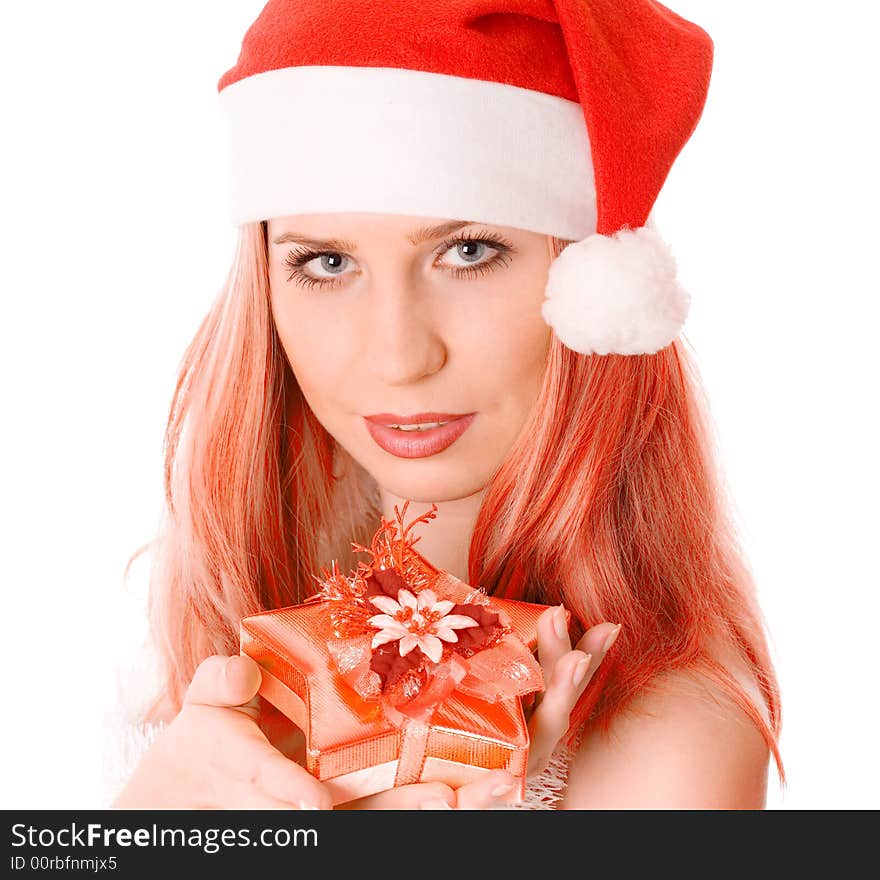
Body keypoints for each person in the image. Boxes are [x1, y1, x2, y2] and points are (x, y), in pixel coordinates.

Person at [110, 0, 784, 810]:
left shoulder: (671, 740)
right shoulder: (190, 629)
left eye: (469, 251)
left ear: (587, 285)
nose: (398, 357)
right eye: (327, 262)